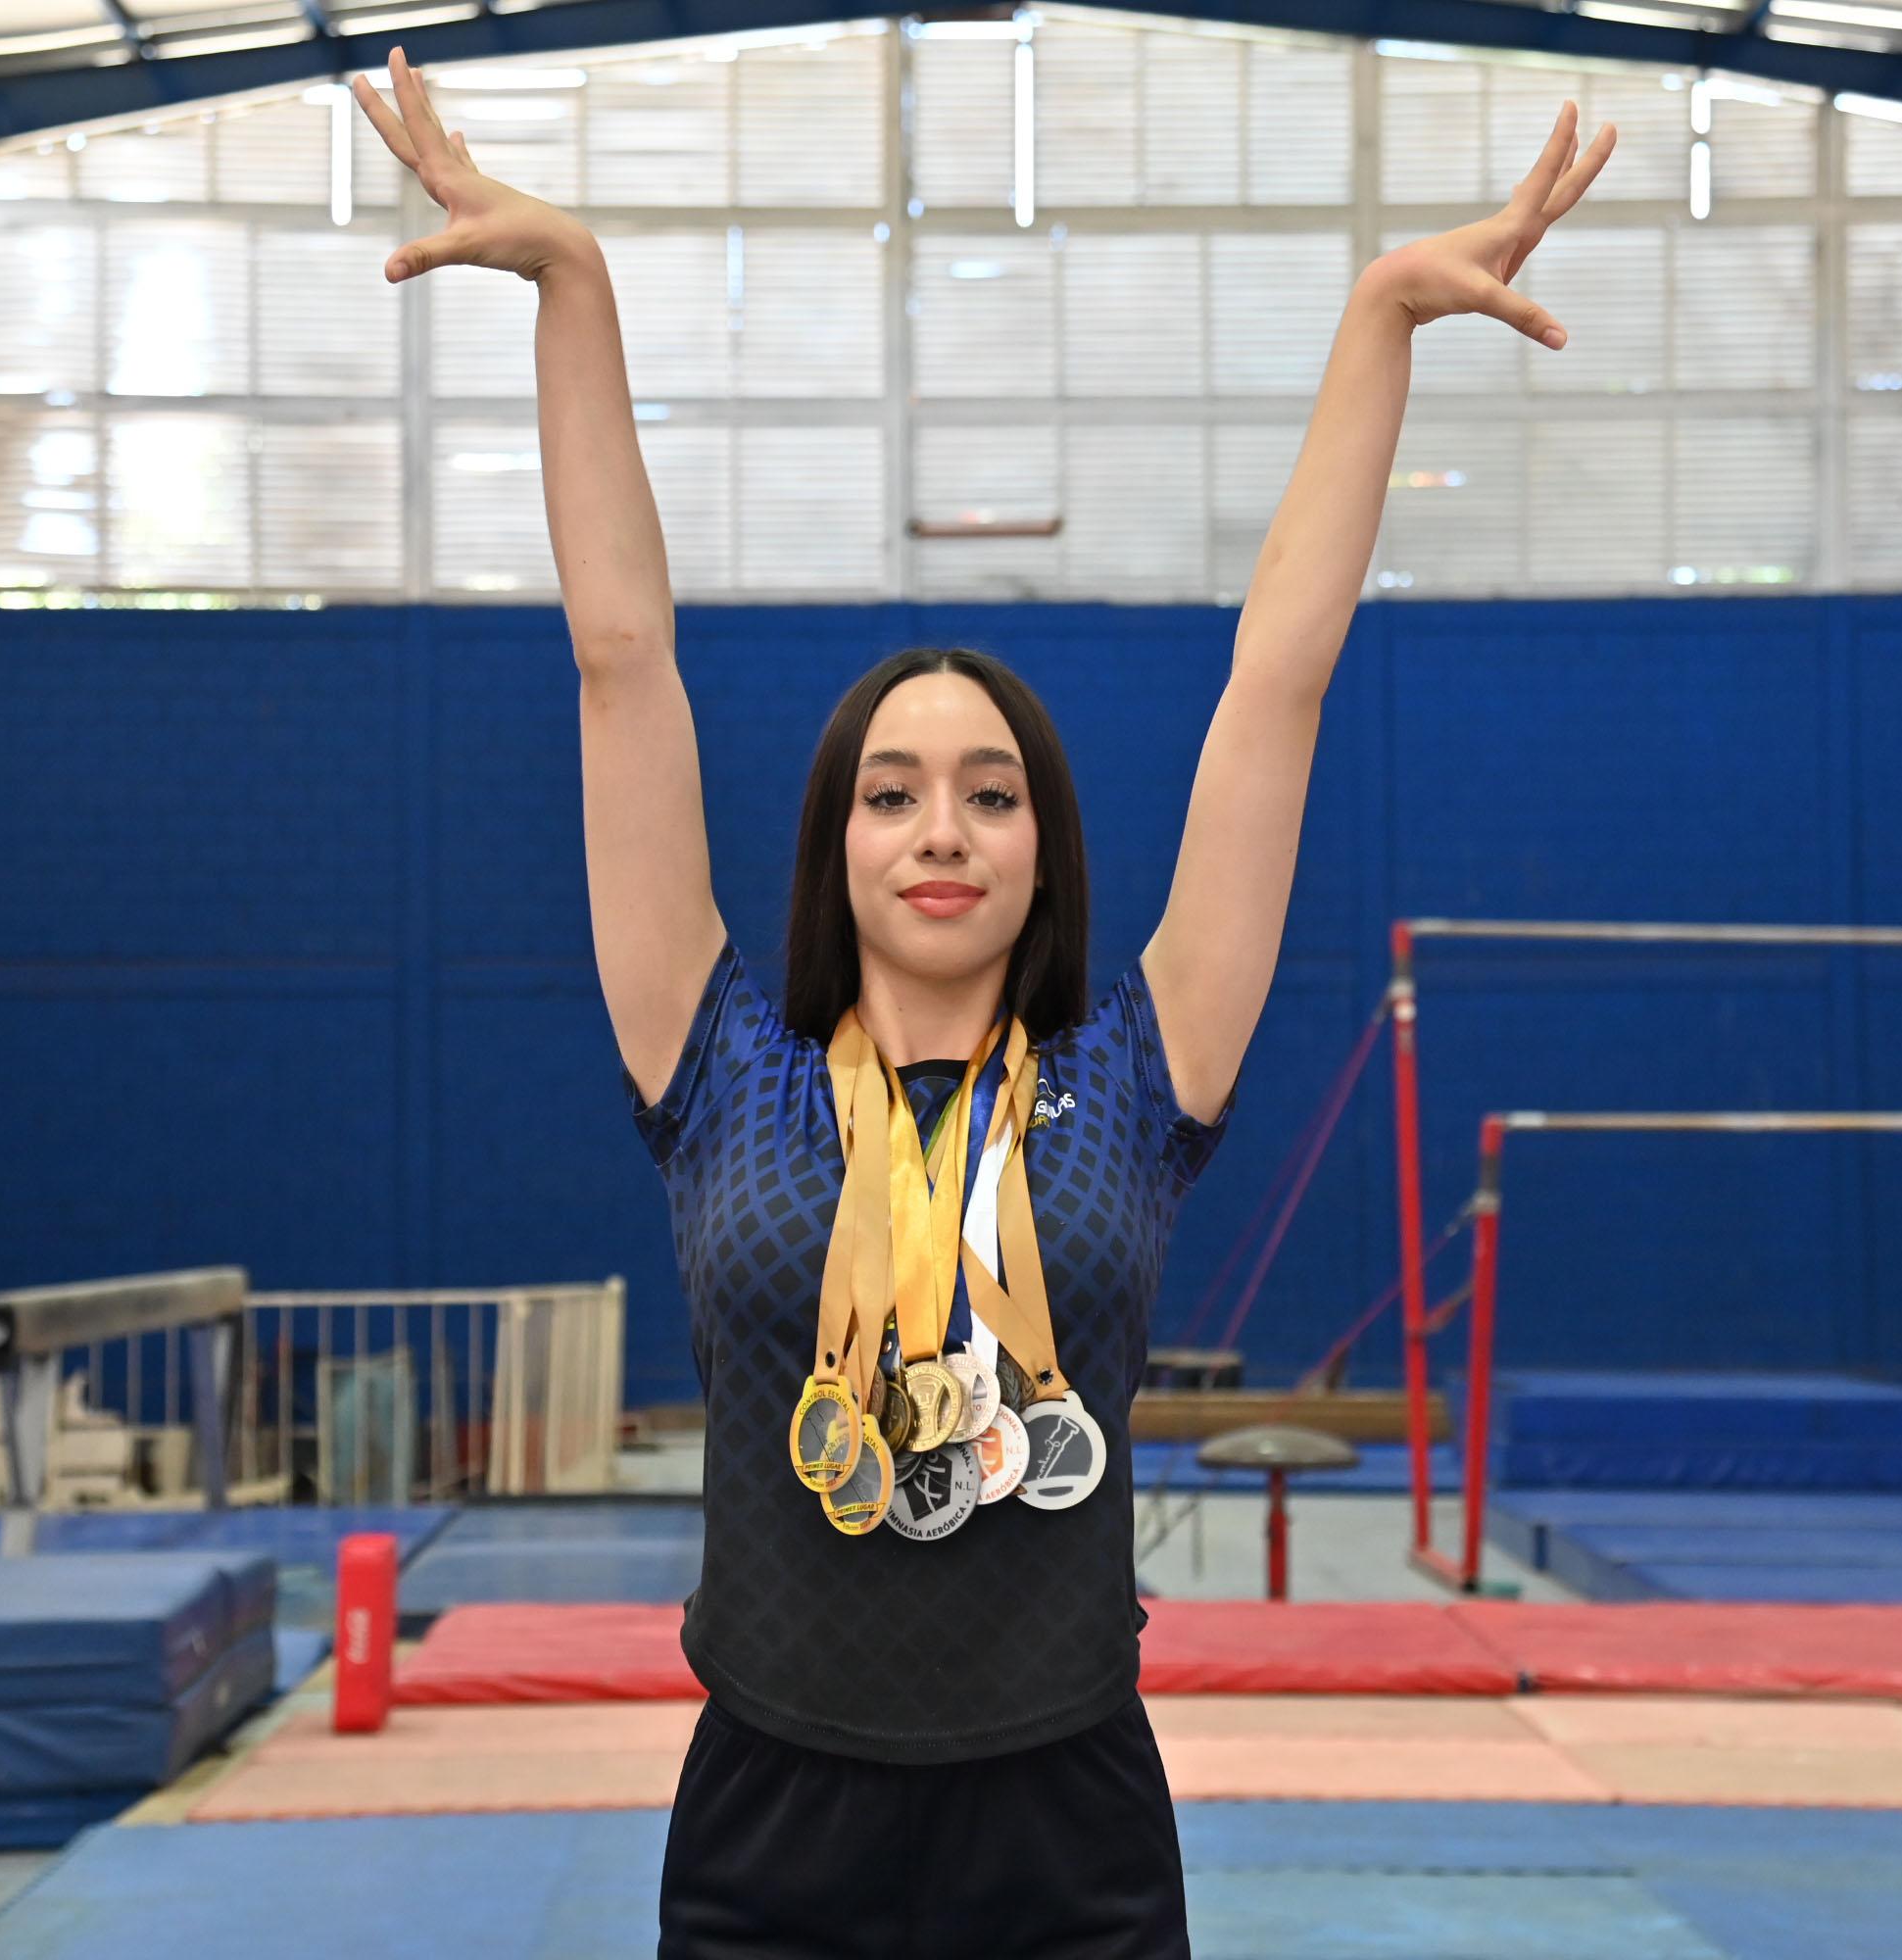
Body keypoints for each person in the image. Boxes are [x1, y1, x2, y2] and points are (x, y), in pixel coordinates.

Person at [354, 48, 1615, 1957]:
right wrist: (574, 288)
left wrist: (1377, 320)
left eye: (989, 789)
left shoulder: (1135, 1067)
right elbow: (623, 663)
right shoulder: (716, 1071)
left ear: (1042, 847)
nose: (940, 828)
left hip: (1065, 1822)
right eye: (891, 789)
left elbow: (1277, 677)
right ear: (835, 844)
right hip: (772, 1818)